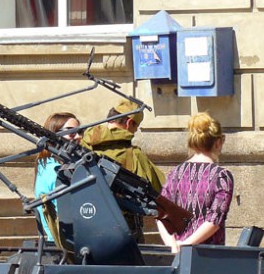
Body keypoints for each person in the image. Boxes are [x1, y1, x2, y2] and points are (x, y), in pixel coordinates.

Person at [81, 98, 165, 241]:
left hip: (88, 226)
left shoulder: (83, 147)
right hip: (125, 231)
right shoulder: (134, 155)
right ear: (129, 123)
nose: (135, 130)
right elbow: (161, 189)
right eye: (136, 126)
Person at [156, 112, 234, 251]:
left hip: (177, 255)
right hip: (208, 256)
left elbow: (161, 213)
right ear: (218, 142)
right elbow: (214, 221)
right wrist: (187, 244)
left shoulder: (175, 173)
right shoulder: (222, 176)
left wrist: (173, 245)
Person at [34, 112, 82, 242]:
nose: (78, 137)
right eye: (72, 133)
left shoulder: (45, 166)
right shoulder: (55, 172)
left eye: (80, 132)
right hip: (67, 245)